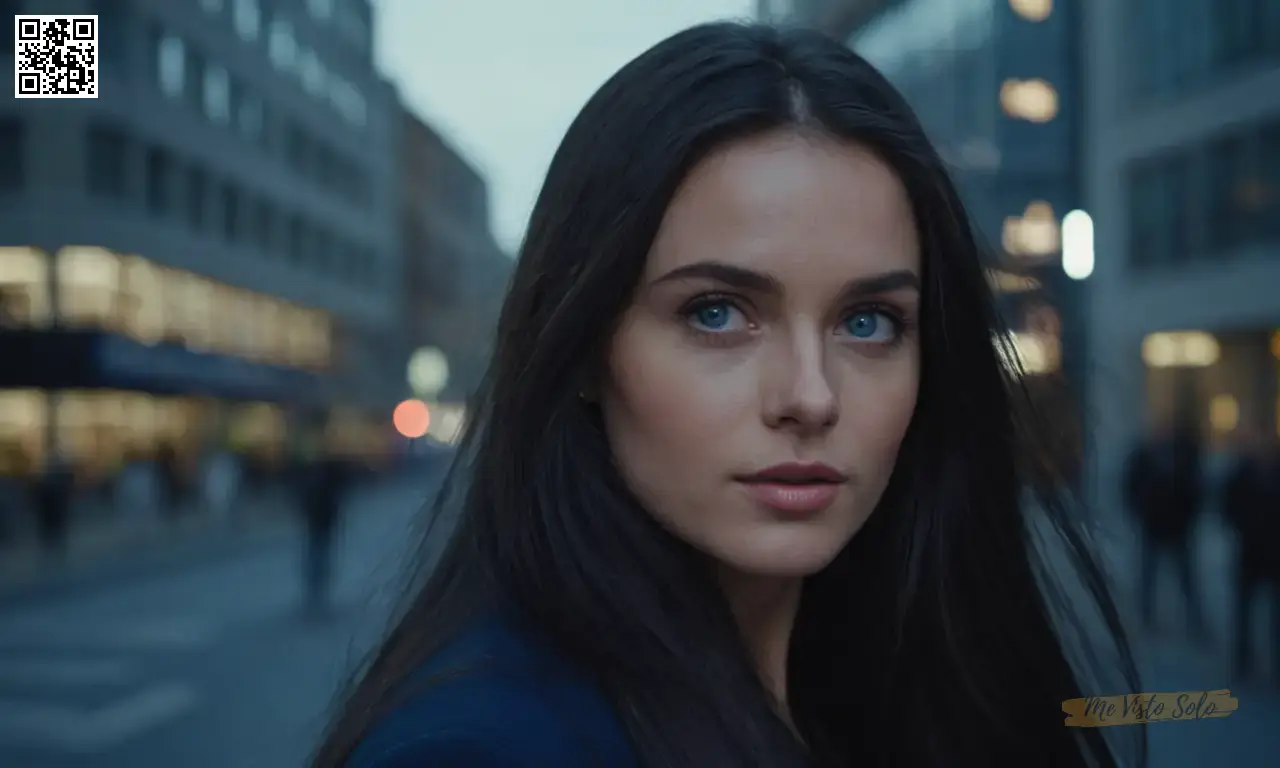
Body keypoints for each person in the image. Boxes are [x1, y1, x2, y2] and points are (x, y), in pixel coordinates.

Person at [314, 22, 1142, 768]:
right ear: (581, 352)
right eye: (717, 313)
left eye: (869, 322)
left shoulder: (905, 687)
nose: (810, 397)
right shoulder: (483, 751)